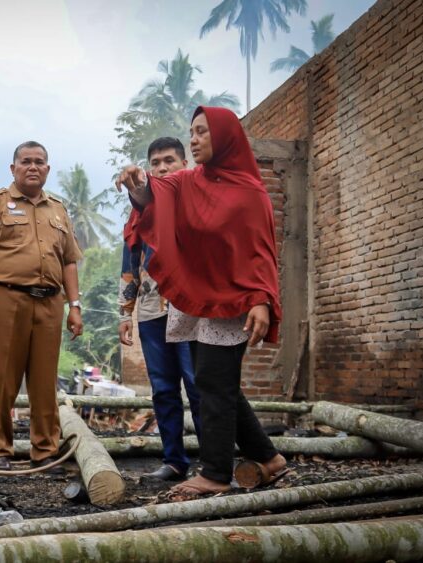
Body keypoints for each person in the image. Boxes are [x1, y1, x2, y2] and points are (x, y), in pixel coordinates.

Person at [116, 106, 287, 496]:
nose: (194, 140)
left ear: (225, 137)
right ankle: (269, 457)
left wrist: (262, 299)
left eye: (202, 133)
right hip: (199, 299)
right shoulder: (189, 181)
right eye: (191, 133)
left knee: (211, 383)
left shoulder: (250, 192)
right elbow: (153, 195)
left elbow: (260, 250)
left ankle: (215, 473)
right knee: (218, 382)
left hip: (235, 300)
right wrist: (138, 184)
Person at [0, 141, 83, 471]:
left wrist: (75, 306)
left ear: (47, 169)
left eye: (39, 162)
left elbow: (70, 261)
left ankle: (44, 450)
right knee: (2, 378)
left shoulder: (58, 209)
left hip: (50, 303)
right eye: (25, 161)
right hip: (5, 298)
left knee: (45, 381)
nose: (33, 167)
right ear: (13, 168)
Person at [118, 137, 201, 482]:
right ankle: (174, 461)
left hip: (191, 310)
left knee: (198, 386)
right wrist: (125, 313)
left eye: (169, 160)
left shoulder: (195, 201)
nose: (163, 167)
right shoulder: (139, 215)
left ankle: (213, 462)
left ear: (184, 164)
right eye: (156, 162)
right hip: (152, 312)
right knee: (163, 388)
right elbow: (130, 265)